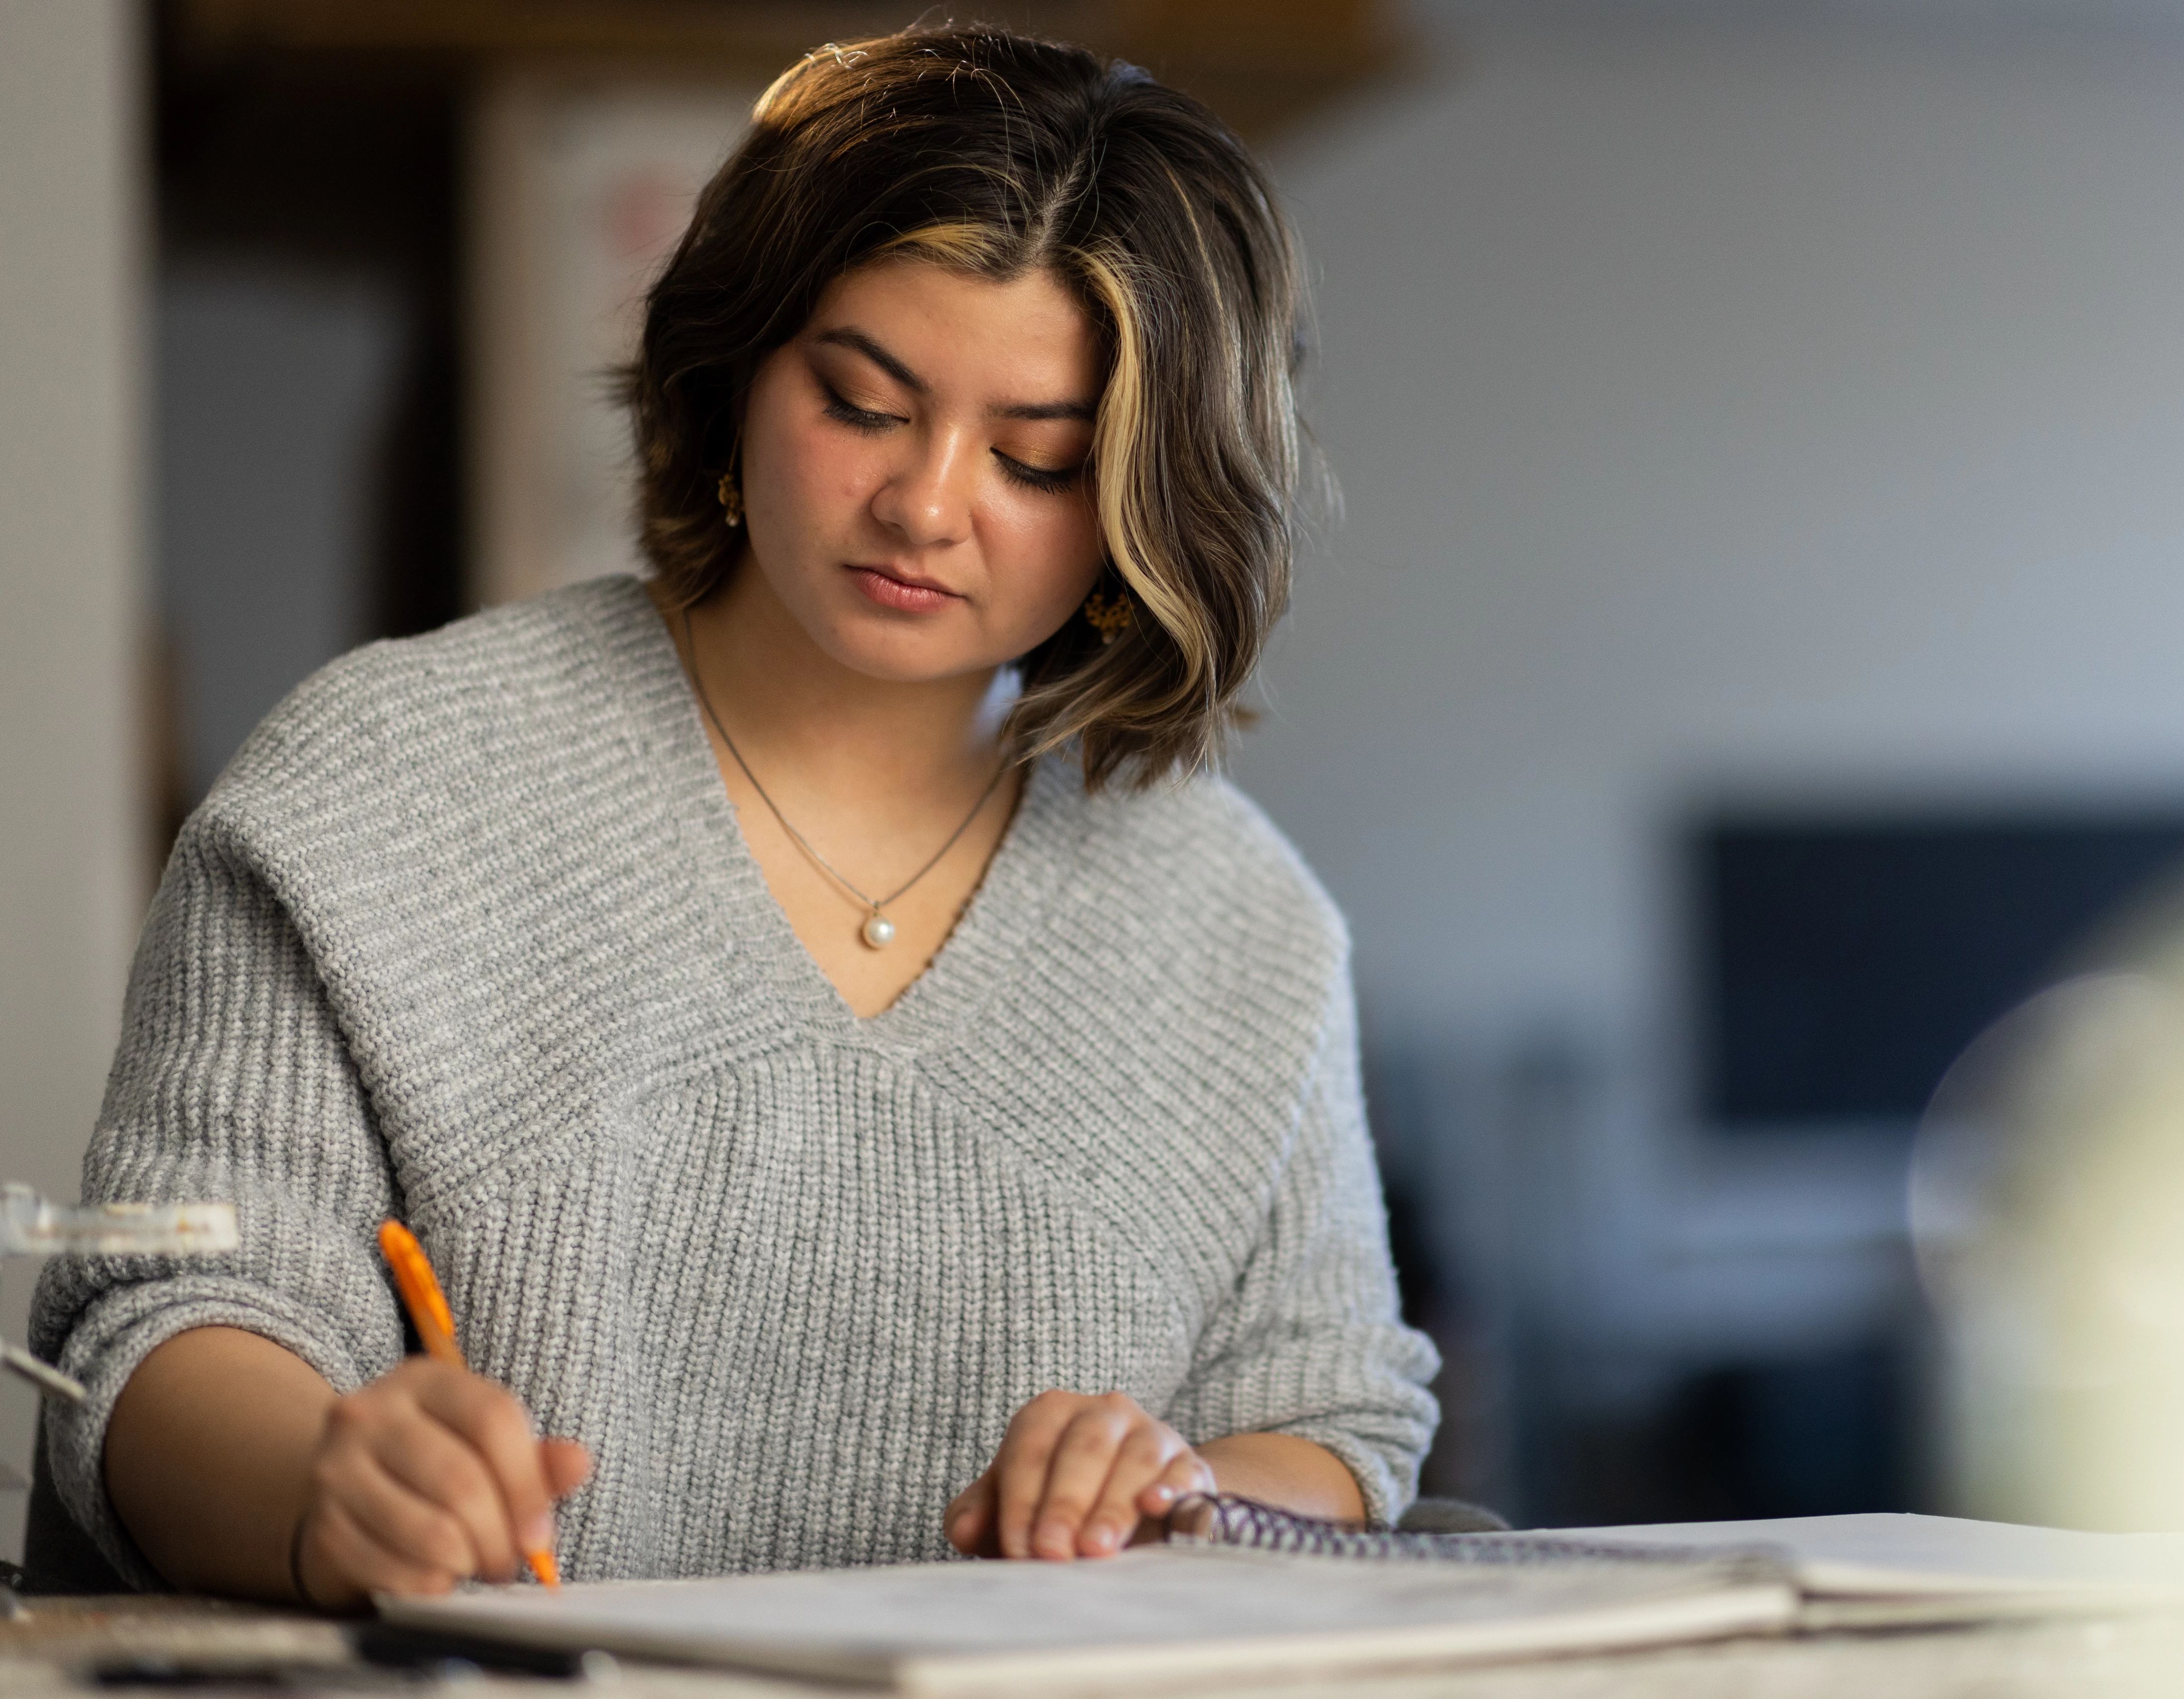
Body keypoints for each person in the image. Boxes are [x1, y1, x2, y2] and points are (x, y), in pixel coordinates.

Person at [30, 26, 1438, 1609]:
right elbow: (158, 1325)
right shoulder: (382, 788)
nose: (923, 504)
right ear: (736, 369)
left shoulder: (1239, 926)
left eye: (1035, 462)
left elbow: (1331, 1422)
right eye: (861, 402)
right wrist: (322, 1492)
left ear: (1145, 505)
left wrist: (1189, 1493)